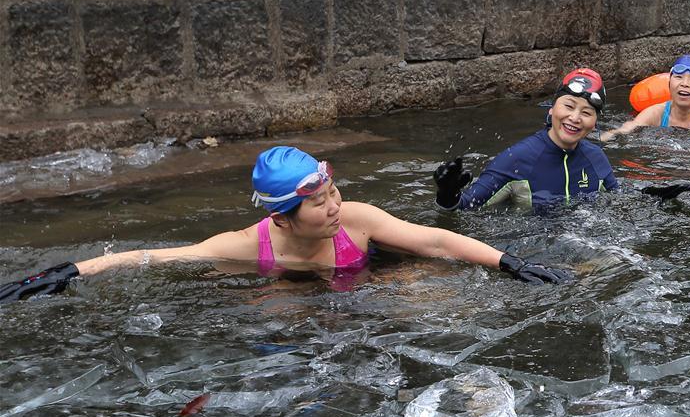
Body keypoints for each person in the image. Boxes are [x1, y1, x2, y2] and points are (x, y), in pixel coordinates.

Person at [0, 146, 571, 304]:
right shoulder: (245, 246)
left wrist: (505, 260)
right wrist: (70, 269)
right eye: (319, 203)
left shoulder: (359, 221)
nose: (334, 206)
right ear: (282, 215)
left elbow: (436, 239)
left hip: (371, 280)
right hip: (292, 292)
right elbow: (156, 256)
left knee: (435, 298)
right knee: (268, 314)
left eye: (334, 193)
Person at [435, 67, 690, 210]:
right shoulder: (517, 159)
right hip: (528, 252)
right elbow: (465, 208)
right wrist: (447, 195)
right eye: (568, 106)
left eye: (586, 112)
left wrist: (652, 198)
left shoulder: (596, 158)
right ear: (551, 110)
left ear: (595, 122)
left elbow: (615, 201)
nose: (575, 118)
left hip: (582, 246)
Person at [600, 54, 690, 152]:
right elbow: (628, 128)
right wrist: (607, 136)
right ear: (669, 83)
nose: (685, 83)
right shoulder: (656, 112)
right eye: (678, 77)